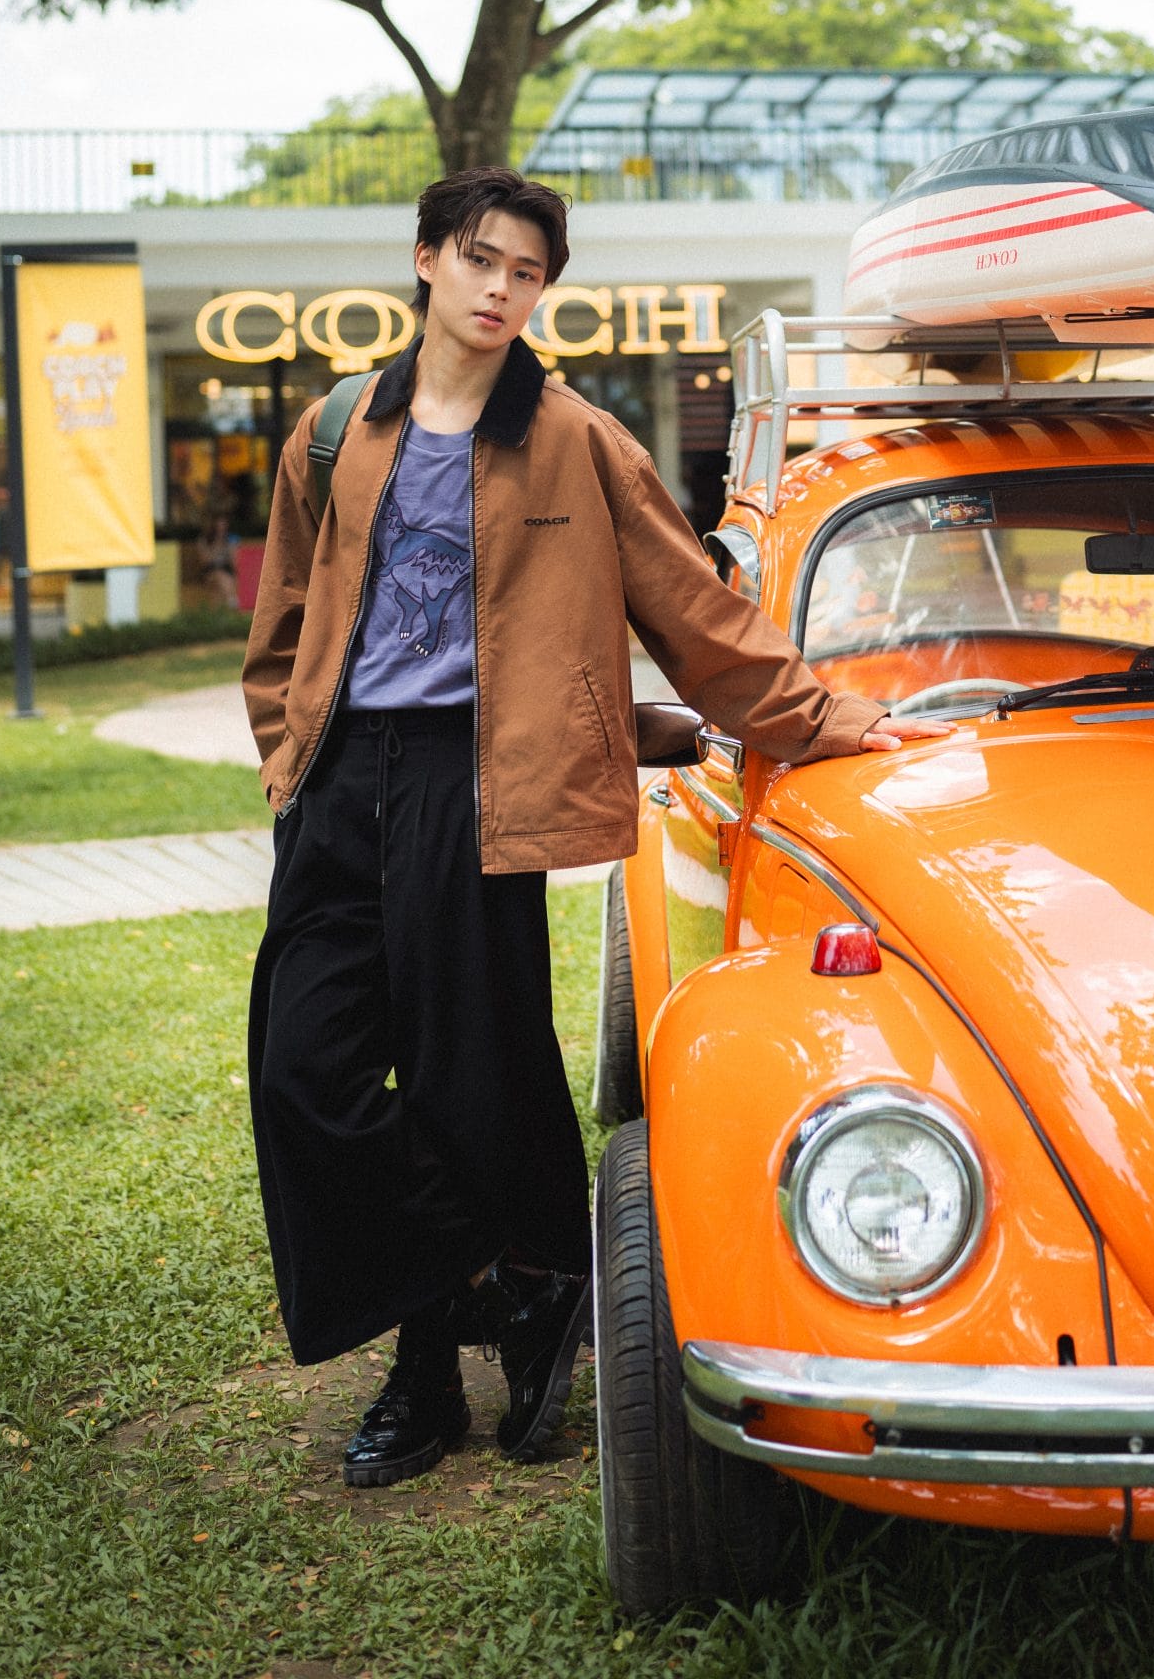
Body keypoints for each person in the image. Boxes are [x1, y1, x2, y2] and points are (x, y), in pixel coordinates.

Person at [242, 167, 947, 1488]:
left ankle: (425, 1379)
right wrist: (290, 759)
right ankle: (524, 1276)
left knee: (468, 1085)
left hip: (479, 784)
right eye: (483, 260)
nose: (504, 289)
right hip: (344, 785)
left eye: (529, 273)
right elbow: (286, 613)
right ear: (427, 260)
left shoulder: (575, 438)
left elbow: (700, 618)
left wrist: (837, 723)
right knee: (303, 1074)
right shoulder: (338, 428)